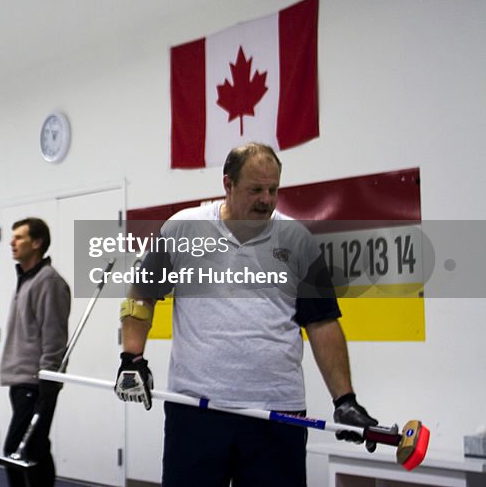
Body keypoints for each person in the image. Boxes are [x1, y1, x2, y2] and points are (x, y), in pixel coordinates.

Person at [115, 142, 378, 486]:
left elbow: (322, 322)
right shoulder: (183, 229)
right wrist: (132, 358)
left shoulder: (297, 240)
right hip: (196, 409)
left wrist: (345, 399)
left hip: (277, 411)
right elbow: (141, 295)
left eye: (273, 190)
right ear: (228, 185)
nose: (267, 200)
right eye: (256, 189)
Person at [0, 218, 71, 487]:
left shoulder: (48, 281)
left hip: (36, 382)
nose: (11, 242)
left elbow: (54, 337)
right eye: (12, 236)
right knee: (37, 448)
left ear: (37, 243)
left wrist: (48, 379)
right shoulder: (27, 280)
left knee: (15, 451)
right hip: (21, 381)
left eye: (19, 237)